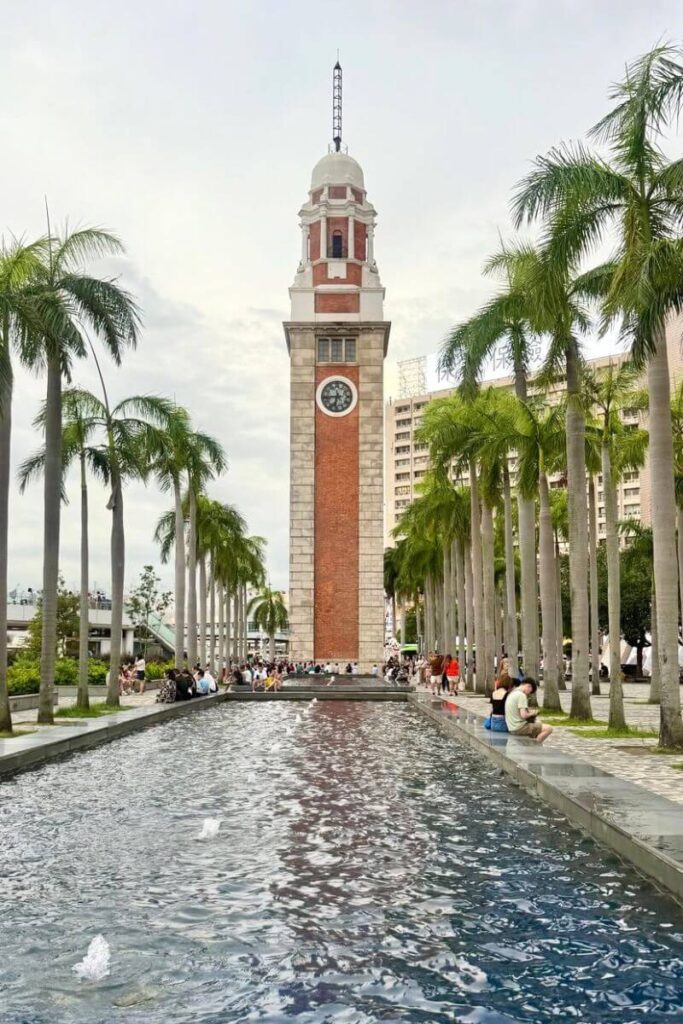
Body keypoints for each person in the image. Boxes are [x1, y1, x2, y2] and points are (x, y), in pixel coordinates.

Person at [505, 678, 553, 744]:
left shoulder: (512, 693)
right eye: (530, 691)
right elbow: (524, 715)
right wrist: (533, 713)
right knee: (548, 728)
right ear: (528, 686)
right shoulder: (521, 695)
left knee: (538, 724)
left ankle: (532, 744)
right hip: (519, 728)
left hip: (511, 727)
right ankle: (535, 746)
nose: (529, 693)